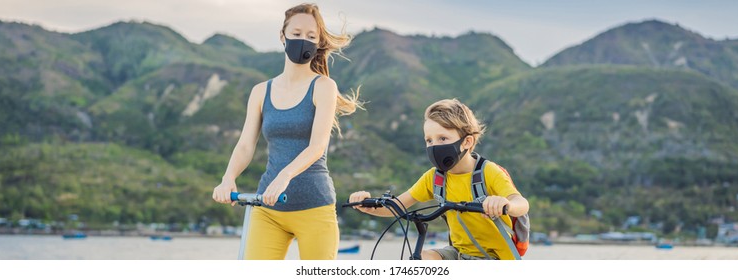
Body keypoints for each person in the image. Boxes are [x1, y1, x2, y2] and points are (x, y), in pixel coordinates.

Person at [212, 3, 361, 260]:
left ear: (318, 42)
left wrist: (284, 177)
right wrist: (228, 178)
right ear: (283, 36)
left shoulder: (323, 86)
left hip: (314, 206)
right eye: (296, 33)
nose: (303, 40)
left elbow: (317, 147)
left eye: (311, 36)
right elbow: (246, 144)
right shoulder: (261, 91)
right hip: (267, 209)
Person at [349, 98, 529, 260]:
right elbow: (397, 207)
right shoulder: (435, 178)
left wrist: (504, 203)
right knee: (421, 259)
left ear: (467, 142)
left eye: (443, 138)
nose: (434, 146)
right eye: (429, 140)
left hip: (497, 258)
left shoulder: (487, 172)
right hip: (458, 254)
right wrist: (366, 205)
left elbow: (521, 203)